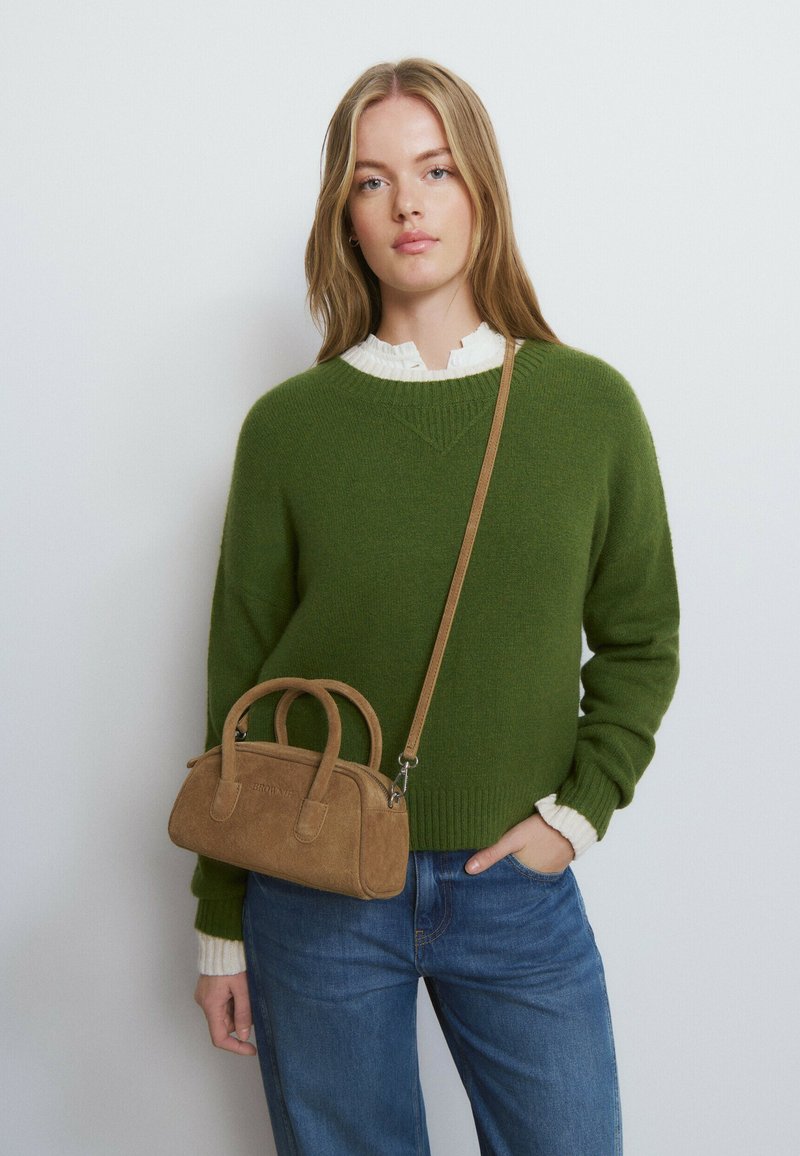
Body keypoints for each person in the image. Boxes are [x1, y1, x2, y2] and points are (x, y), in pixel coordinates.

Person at [189, 57, 680, 1156]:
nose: (406, 204)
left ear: (480, 191)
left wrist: (576, 814)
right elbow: (240, 688)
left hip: (511, 886)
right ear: (343, 215)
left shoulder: (586, 406)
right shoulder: (289, 427)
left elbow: (641, 638)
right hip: (310, 887)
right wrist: (222, 923)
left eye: (435, 168)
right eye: (371, 181)